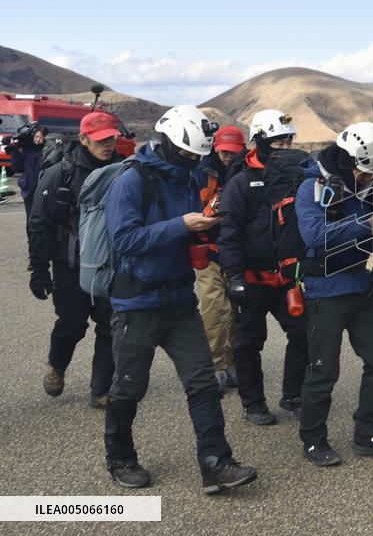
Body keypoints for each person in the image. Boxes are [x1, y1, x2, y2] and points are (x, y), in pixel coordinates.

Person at [103, 105, 257, 493]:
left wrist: (200, 232)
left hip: (178, 300)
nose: (192, 161)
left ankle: (216, 463)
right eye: (187, 154)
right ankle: (120, 457)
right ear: (167, 142)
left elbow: (180, 232)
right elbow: (124, 241)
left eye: (196, 156)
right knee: (127, 387)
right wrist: (181, 226)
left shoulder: (190, 178)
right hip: (136, 304)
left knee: (203, 383)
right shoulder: (131, 181)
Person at [296, 122, 373, 466]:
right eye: (362, 173)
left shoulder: (367, 187)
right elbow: (314, 235)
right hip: (325, 290)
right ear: (347, 159)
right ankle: (314, 440)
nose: (366, 179)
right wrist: (365, 226)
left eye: (372, 174)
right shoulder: (311, 187)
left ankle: (367, 432)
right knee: (323, 370)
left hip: (360, 286)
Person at [217, 110, 307, 425]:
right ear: (261, 141)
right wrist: (236, 278)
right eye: (278, 140)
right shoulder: (241, 182)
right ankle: (253, 403)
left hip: (287, 279)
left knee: (303, 333)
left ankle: (293, 395)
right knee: (249, 342)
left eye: (288, 140)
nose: (285, 146)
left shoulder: (299, 177)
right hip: (252, 280)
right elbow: (228, 235)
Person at [28, 113, 121, 406]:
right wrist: (39, 269)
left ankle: (101, 390)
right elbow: (39, 222)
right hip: (70, 265)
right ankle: (57, 366)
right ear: (83, 139)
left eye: (111, 138)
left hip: (110, 264)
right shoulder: (60, 173)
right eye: (100, 139)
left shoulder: (122, 171)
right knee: (72, 323)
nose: (107, 144)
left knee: (110, 325)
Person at [195, 125, 246, 396]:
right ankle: (214, 368)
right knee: (215, 309)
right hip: (209, 252)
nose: (229, 157)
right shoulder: (200, 173)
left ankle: (231, 362)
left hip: (237, 253)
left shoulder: (248, 173)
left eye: (234, 152)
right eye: (225, 152)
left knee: (237, 312)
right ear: (216, 147)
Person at [8, 125, 48, 221]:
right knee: (30, 218)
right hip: (28, 191)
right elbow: (17, 168)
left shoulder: (47, 151)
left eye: (41, 137)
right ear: (33, 137)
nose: (38, 140)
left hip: (42, 190)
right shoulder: (26, 150)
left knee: (42, 218)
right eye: (37, 137)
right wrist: (15, 152)